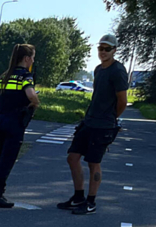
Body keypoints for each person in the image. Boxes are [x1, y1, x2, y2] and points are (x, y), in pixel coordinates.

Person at [58, 34, 129, 214]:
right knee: (72, 157)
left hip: (103, 125)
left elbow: (122, 101)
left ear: (114, 50)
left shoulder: (118, 71)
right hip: (88, 122)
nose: (103, 52)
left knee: (93, 163)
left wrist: (111, 118)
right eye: (101, 48)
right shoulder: (98, 70)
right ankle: (78, 196)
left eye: (107, 49)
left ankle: (91, 202)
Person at [0, 44, 40, 208]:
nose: (32, 61)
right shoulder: (26, 76)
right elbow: (30, 94)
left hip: (1, 121)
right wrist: (36, 103)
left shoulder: (5, 76)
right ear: (26, 58)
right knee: (7, 161)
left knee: (2, 158)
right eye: (32, 58)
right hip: (15, 123)